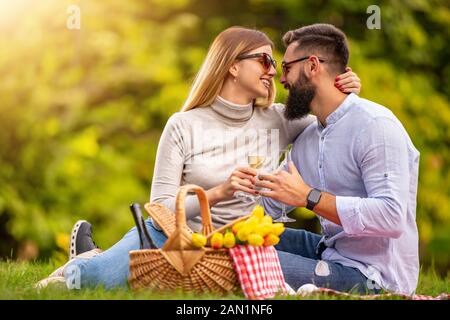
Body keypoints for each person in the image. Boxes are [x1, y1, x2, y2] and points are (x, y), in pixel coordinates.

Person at [36, 26, 361, 290]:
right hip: (172, 235)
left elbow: (331, 117)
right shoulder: (184, 125)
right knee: (95, 281)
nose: (273, 73)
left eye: (275, 65)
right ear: (233, 65)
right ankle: (88, 260)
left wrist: (346, 88)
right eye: (264, 61)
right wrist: (221, 192)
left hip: (237, 243)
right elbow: (160, 207)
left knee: (324, 252)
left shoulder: (278, 120)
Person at [254, 24, 420, 295]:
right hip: (331, 251)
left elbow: (392, 217)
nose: (281, 80)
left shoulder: (375, 125)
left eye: (286, 68)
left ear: (312, 66)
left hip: (372, 275)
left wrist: (309, 197)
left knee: (248, 263)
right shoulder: (309, 138)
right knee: (241, 245)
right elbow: (268, 205)